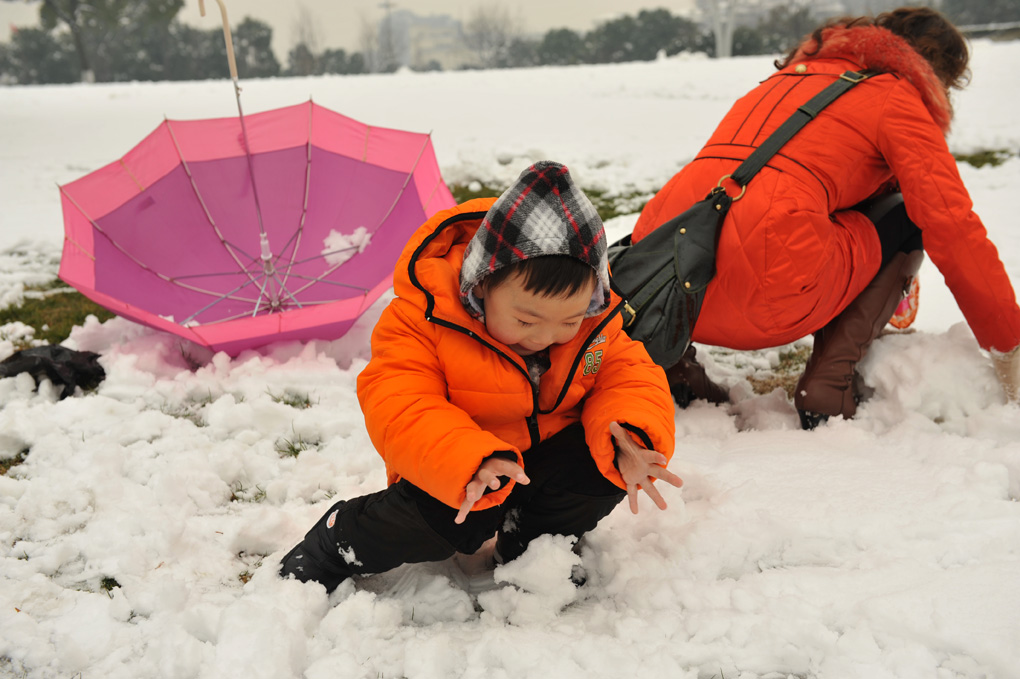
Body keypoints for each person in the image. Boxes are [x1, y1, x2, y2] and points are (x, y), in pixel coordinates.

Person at [280, 161, 681, 593]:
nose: (547, 336)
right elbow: (401, 402)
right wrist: (472, 459)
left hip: (543, 463)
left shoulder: (593, 324)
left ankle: (531, 543)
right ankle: (337, 541)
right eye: (526, 321)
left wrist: (632, 436)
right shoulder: (424, 318)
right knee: (442, 525)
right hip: (458, 465)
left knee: (599, 465)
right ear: (482, 285)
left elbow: (630, 375)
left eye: (568, 321)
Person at [632, 7, 1020, 428]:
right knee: (907, 216)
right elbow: (952, 225)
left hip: (670, 282)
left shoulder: (782, 81)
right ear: (936, 75)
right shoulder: (895, 94)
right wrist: (1009, 343)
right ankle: (829, 383)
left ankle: (673, 367)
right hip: (771, 293)